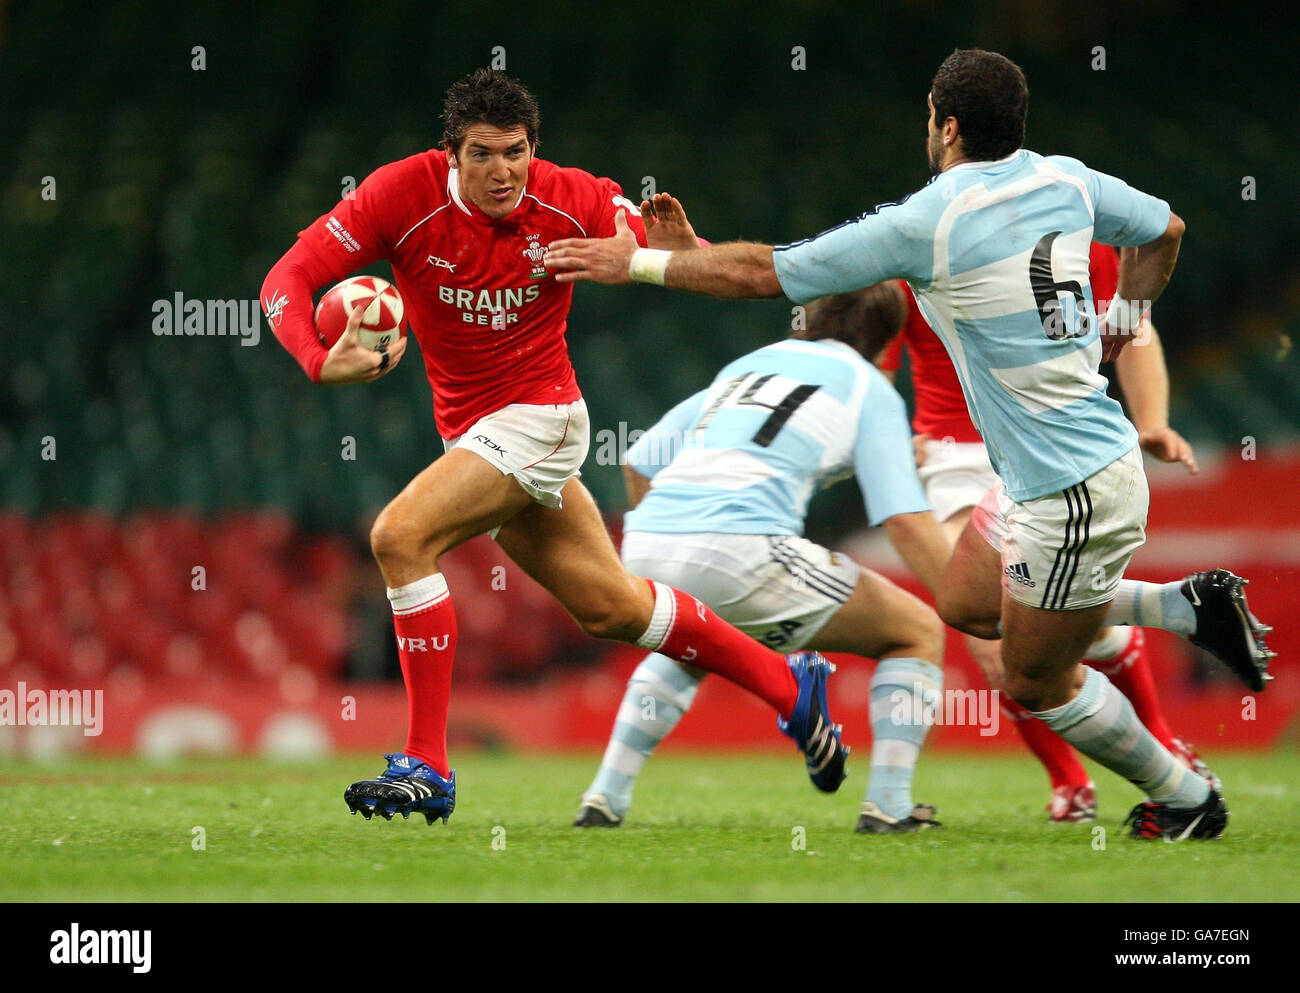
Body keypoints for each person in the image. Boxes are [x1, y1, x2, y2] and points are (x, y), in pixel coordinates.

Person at [544, 49, 1275, 840]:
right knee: (963, 604)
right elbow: (1166, 229)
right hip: (1036, 478)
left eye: (930, 113)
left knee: (1037, 680)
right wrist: (1121, 324)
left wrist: (644, 262)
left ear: (948, 125)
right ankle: (1181, 605)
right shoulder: (1067, 179)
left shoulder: (929, 221)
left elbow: (773, 274)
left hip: (1072, 487)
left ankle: (1187, 799)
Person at [259, 68, 848, 825]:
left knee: (399, 537)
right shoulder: (396, 197)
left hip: (543, 418)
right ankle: (791, 686)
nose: (502, 171)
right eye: (482, 154)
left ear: (533, 149)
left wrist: (682, 246)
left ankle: (427, 764)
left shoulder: (574, 196)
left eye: (516, 152)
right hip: (474, 432)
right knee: (611, 608)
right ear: (450, 155)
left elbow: (675, 251)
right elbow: (287, 278)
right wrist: (315, 357)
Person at [577, 275, 952, 834]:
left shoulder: (751, 365)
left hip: (646, 541)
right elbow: (903, 520)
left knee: (696, 641)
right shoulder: (867, 386)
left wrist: (670, 542)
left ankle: (604, 797)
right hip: (741, 546)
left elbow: (639, 460)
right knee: (917, 631)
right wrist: (966, 603)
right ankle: (890, 805)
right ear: (884, 339)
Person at [878, 246, 1217, 823]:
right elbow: (871, 363)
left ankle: (1163, 743)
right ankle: (1070, 782)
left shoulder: (1086, 246)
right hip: (955, 461)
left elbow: (1134, 330)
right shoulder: (917, 243)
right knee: (992, 633)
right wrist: (882, 433)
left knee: (1082, 633)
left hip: (1052, 451)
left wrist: (1153, 420)